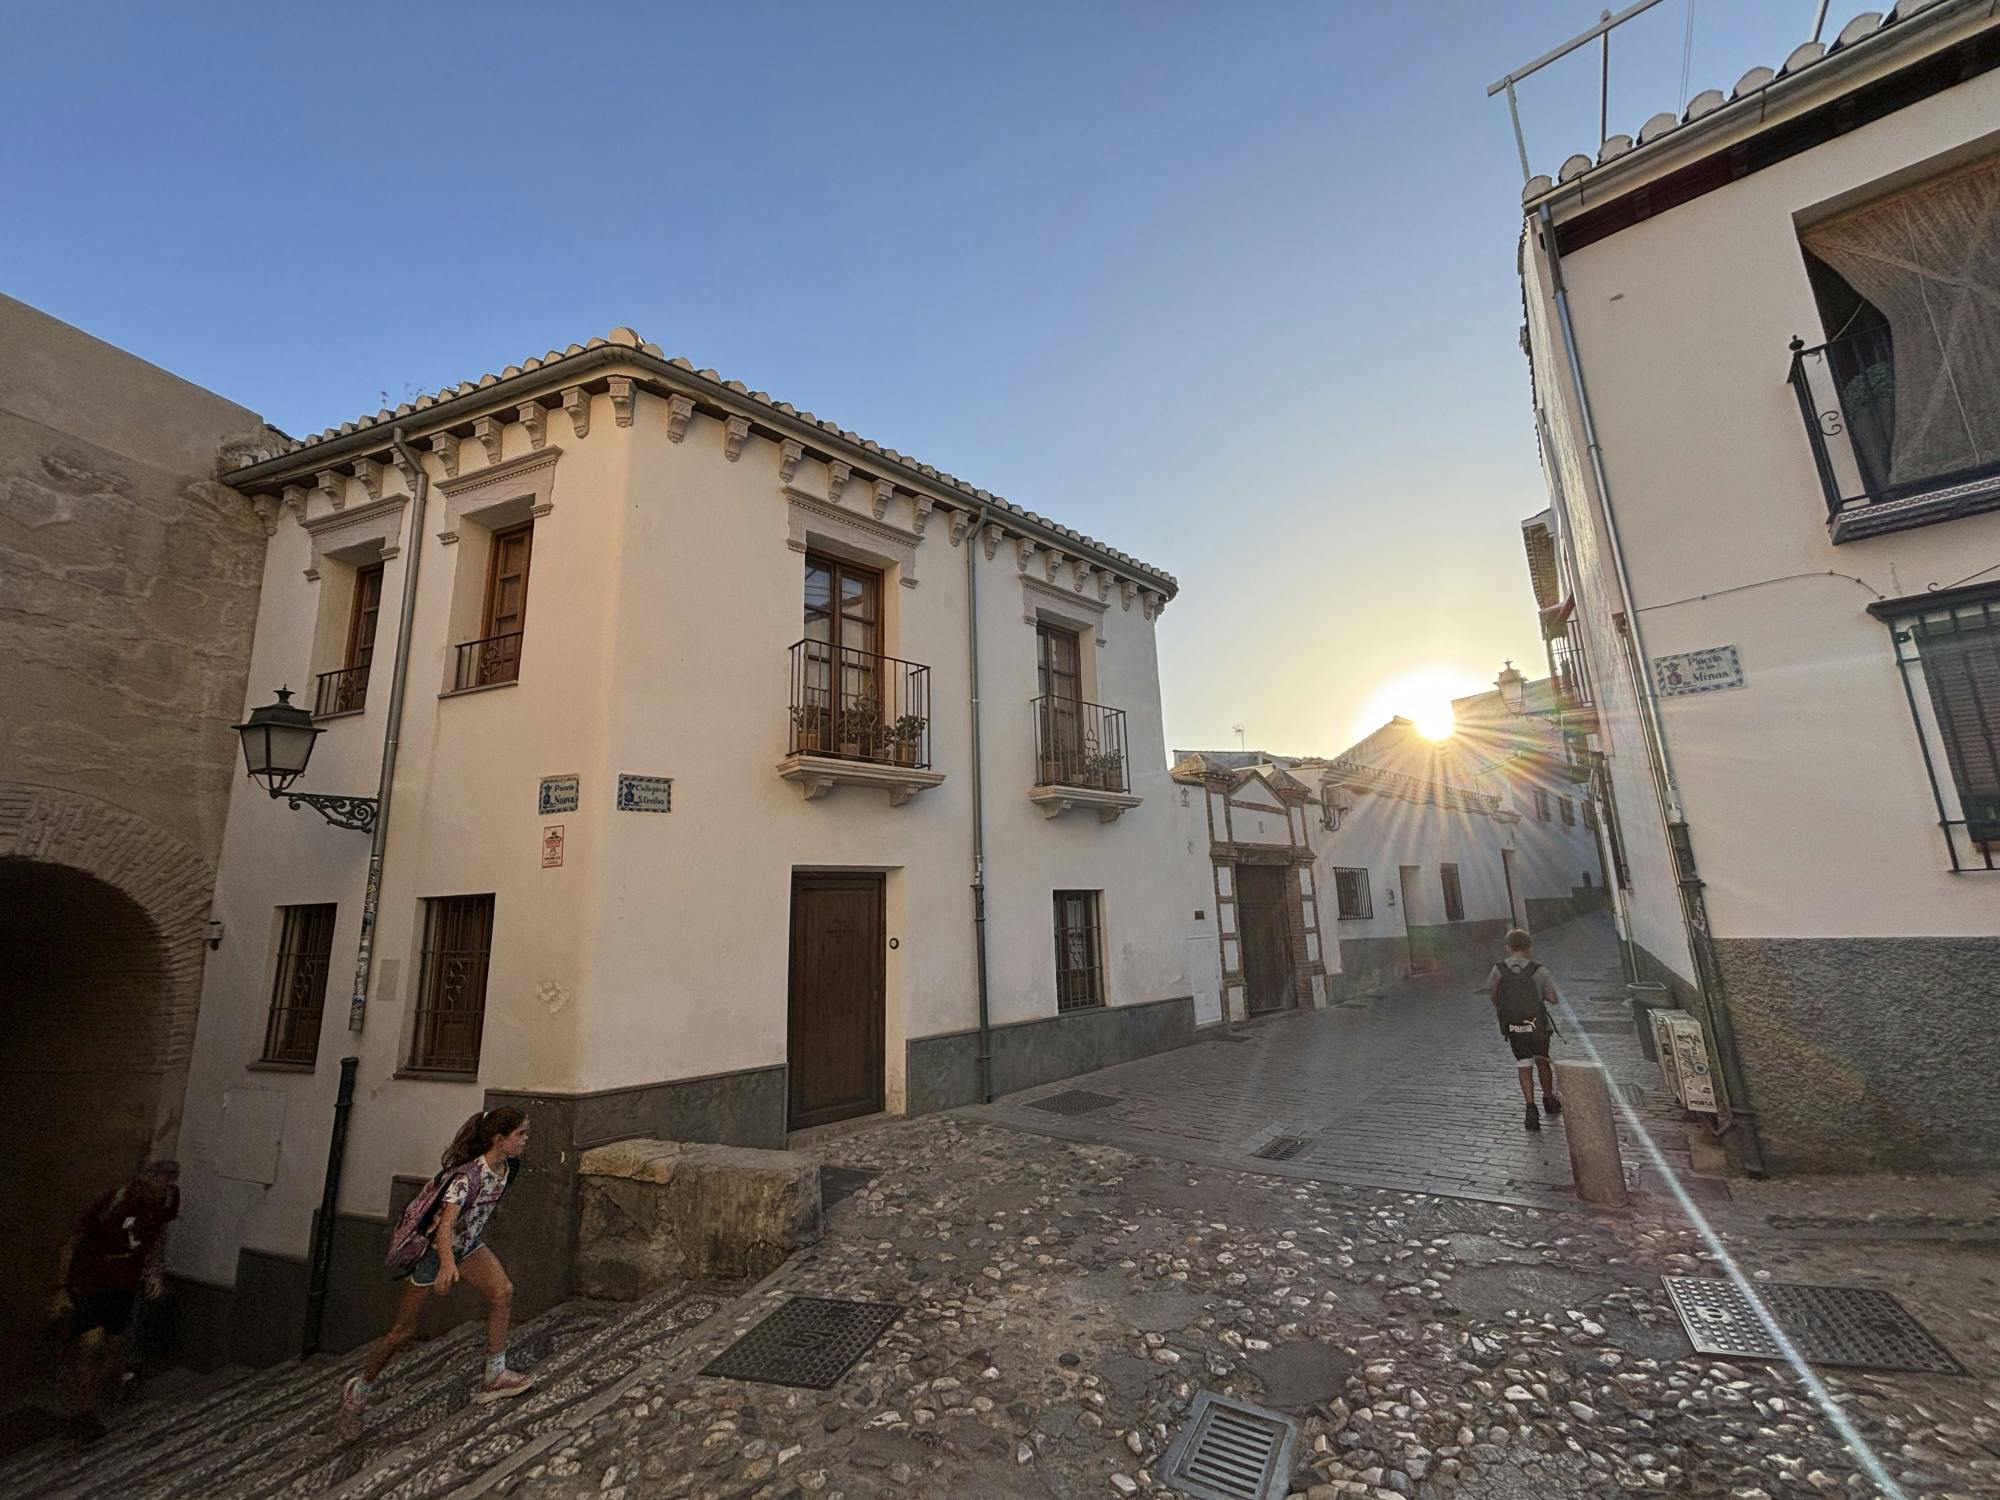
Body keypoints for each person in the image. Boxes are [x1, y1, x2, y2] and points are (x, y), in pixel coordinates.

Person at [340, 1107, 533, 1437]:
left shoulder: (508, 1168)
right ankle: (357, 1393)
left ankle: (494, 1375)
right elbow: (444, 1229)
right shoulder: (464, 1179)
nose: (526, 1140)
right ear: (499, 1140)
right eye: (521, 1135)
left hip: (469, 1248)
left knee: (503, 1292)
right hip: (433, 1256)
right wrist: (446, 1264)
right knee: (404, 1330)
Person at [51, 1160, 180, 1441]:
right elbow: (75, 1241)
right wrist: (62, 1287)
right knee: (90, 1345)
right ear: (149, 1178)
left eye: (170, 1183)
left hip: (124, 1286)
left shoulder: (160, 1209)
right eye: (162, 1181)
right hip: (92, 1282)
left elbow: (155, 1243)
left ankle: (94, 1405)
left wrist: (154, 1275)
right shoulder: (117, 1201)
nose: (166, 1188)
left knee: (111, 1348)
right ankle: (78, 1411)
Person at [1488, 929, 1565, 1132]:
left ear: (1508, 947)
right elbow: (1554, 999)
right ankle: (1548, 1099)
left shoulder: (1498, 970)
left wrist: (1505, 1009)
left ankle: (1530, 1108)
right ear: (1528, 947)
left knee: (1523, 1064)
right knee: (1542, 1061)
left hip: (1514, 1026)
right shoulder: (1539, 970)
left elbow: (1494, 995)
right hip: (1537, 1025)